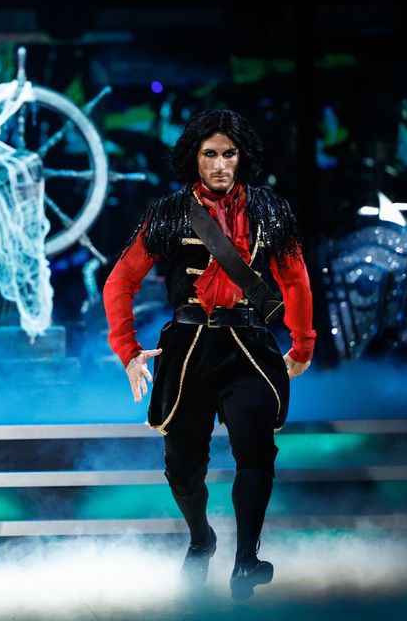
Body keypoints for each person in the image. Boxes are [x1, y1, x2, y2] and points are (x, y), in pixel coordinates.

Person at [103, 110, 315, 599]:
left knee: (256, 452)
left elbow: (296, 279)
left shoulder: (271, 210)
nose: (220, 164)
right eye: (210, 154)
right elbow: (120, 282)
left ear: (243, 157)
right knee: (182, 468)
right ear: (194, 158)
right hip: (188, 352)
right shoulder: (170, 212)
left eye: (229, 154)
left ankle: (246, 560)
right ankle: (202, 539)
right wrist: (129, 351)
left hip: (249, 350)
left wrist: (302, 343)